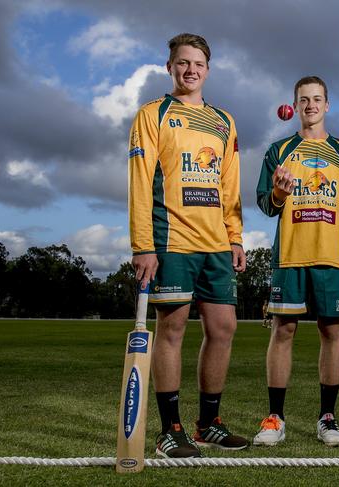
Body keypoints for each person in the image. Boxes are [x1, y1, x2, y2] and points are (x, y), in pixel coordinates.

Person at [129, 33, 248, 458]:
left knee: (224, 328)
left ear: (207, 70)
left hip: (216, 242)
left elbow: (229, 184)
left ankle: (208, 424)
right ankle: (170, 429)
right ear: (170, 67)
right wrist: (144, 244)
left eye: (197, 63)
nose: (190, 69)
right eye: (182, 62)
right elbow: (140, 182)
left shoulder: (225, 121)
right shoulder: (152, 114)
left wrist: (235, 235)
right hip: (170, 240)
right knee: (173, 329)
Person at [253, 76, 339, 447]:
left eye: (317, 99)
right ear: (295, 106)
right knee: (283, 331)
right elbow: (265, 205)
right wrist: (280, 194)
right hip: (291, 255)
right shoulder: (278, 150)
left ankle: (328, 418)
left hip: (333, 259)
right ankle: (275, 417)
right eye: (304, 99)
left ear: (327, 105)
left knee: (332, 333)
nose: (311, 105)